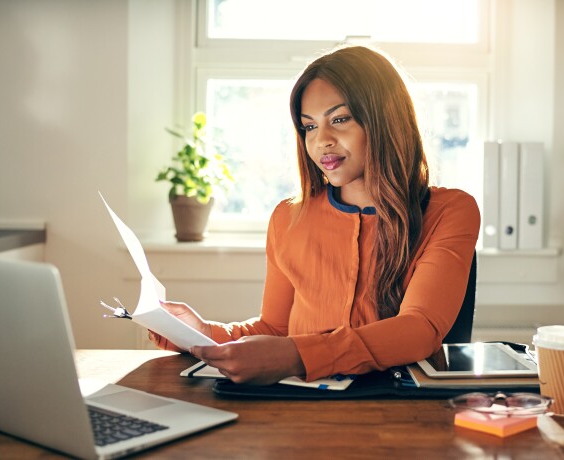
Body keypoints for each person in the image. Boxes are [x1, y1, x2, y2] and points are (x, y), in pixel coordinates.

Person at [150, 45, 480, 385]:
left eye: (339, 120)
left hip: (398, 412)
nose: (321, 140)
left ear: (385, 118)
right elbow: (275, 330)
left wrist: (297, 356)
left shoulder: (451, 210)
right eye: (309, 127)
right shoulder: (287, 218)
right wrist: (203, 333)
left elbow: (419, 329)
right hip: (300, 409)